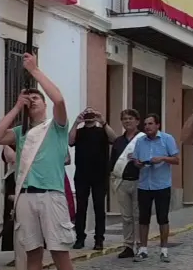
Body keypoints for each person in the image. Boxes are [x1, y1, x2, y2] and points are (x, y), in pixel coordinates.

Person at [0, 55, 84, 270]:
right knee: (32, 254)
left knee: (59, 253)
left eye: (36, 100)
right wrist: (17, 105)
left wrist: (34, 71)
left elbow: (60, 100)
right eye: (29, 101)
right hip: (26, 196)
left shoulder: (56, 127)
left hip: (52, 194)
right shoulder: (21, 132)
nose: (33, 103)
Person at [128, 114, 180, 261]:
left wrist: (162, 158)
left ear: (157, 125)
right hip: (144, 184)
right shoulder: (140, 141)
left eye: (150, 124)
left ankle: (164, 250)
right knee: (143, 219)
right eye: (145, 124)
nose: (147, 127)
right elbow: (136, 160)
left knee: (162, 218)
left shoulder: (167, 139)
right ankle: (143, 249)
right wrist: (137, 163)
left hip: (162, 184)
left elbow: (176, 160)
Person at [69, 108, 111, 251]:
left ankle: (99, 239)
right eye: (87, 114)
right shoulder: (79, 132)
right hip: (82, 175)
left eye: (92, 114)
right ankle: (80, 238)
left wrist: (102, 121)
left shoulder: (102, 131)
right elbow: (70, 141)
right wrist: (76, 123)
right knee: (81, 208)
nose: (89, 116)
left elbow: (114, 139)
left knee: (99, 208)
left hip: (100, 175)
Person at [108, 110, 143, 259]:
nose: (127, 121)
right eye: (124, 119)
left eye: (130, 119)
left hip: (139, 180)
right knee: (126, 216)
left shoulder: (143, 139)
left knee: (138, 215)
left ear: (137, 121)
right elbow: (113, 160)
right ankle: (128, 245)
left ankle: (141, 244)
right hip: (123, 181)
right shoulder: (118, 141)